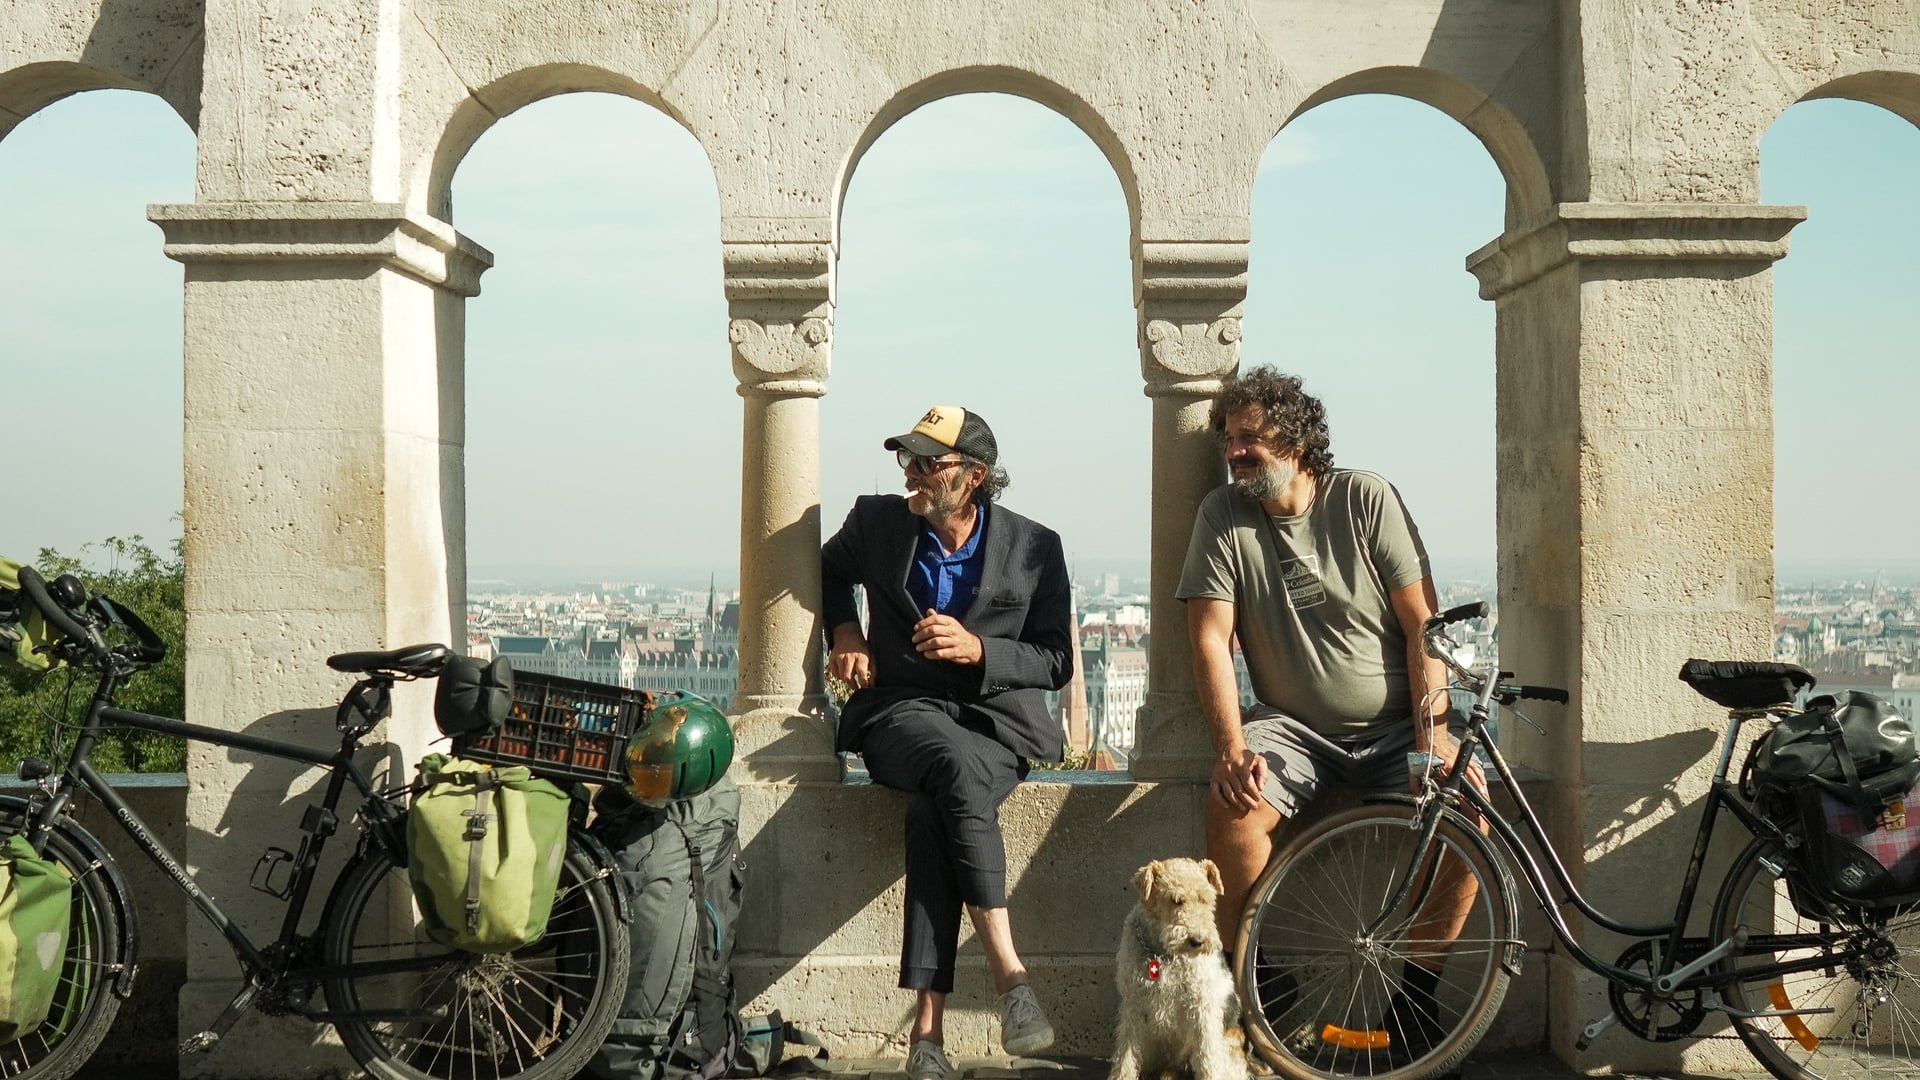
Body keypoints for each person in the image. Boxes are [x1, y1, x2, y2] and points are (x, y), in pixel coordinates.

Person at [1176, 366, 1483, 1051]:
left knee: (1471, 815)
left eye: (1249, 438)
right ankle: (1258, 980)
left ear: (1297, 439)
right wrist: (1231, 745)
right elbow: (1207, 637)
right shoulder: (1224, 516)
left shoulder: (1363, 499)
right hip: (1294, 728)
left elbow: (1421, 626)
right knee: (1233, 806)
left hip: (1400, 723)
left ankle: (1414, 995)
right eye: (1229, 439)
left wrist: (1433, 736)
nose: (1234, 452)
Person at [821, 405, 1072, 1080]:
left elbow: (1055, 661)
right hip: (900, 710)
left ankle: (926, 1040)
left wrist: (980, 650)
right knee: (950, 765)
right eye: (907, 459)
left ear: (974, 477)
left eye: (929, 463)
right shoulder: (876, 523)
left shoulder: (1035, 547)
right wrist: (845, 632)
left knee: (938, 809)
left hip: (996, 721)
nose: (912, 473)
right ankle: (1011, 978)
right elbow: (826, 569)